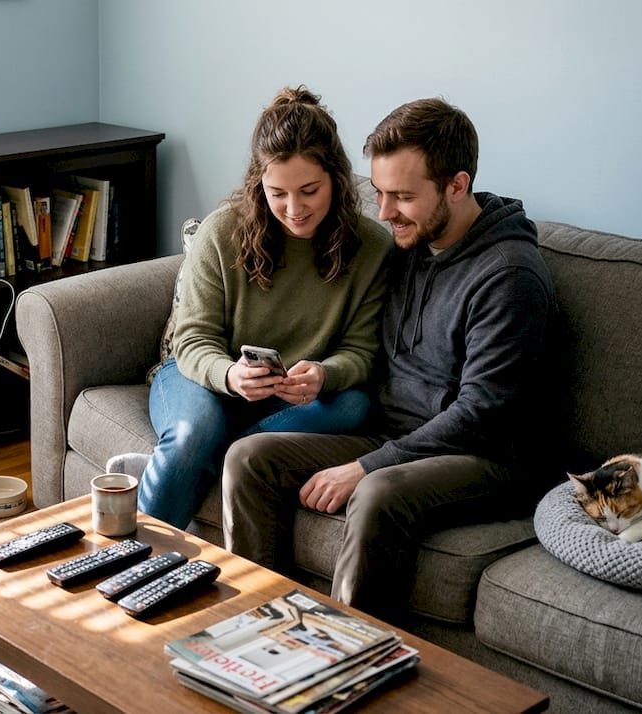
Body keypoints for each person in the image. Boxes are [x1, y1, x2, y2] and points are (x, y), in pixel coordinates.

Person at [222, 97, 554, 623]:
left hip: (486, 455)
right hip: (396, 433)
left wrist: (368, 464)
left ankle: (346, 663)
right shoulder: (410, 246)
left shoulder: (509, 277)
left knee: (376, 491)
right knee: (249, 457)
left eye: (402, 196)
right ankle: (261, 628)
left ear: (456, 185)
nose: (383, 213)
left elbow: (483, 413)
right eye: (378, 192)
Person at [137, 86, 393, 529]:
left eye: (309, 190)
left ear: (336, 176)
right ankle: (131, 559)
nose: (294, 209)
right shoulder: (221, 232)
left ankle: (216, 460)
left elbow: (364, 352)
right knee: (192, 434)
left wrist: (325, 374)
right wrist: (230, 375)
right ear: (260, 183)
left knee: (354, 406)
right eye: (278, 193)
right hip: (202, 378)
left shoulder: (371, 247)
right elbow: (193, 339)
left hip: (294, 400)